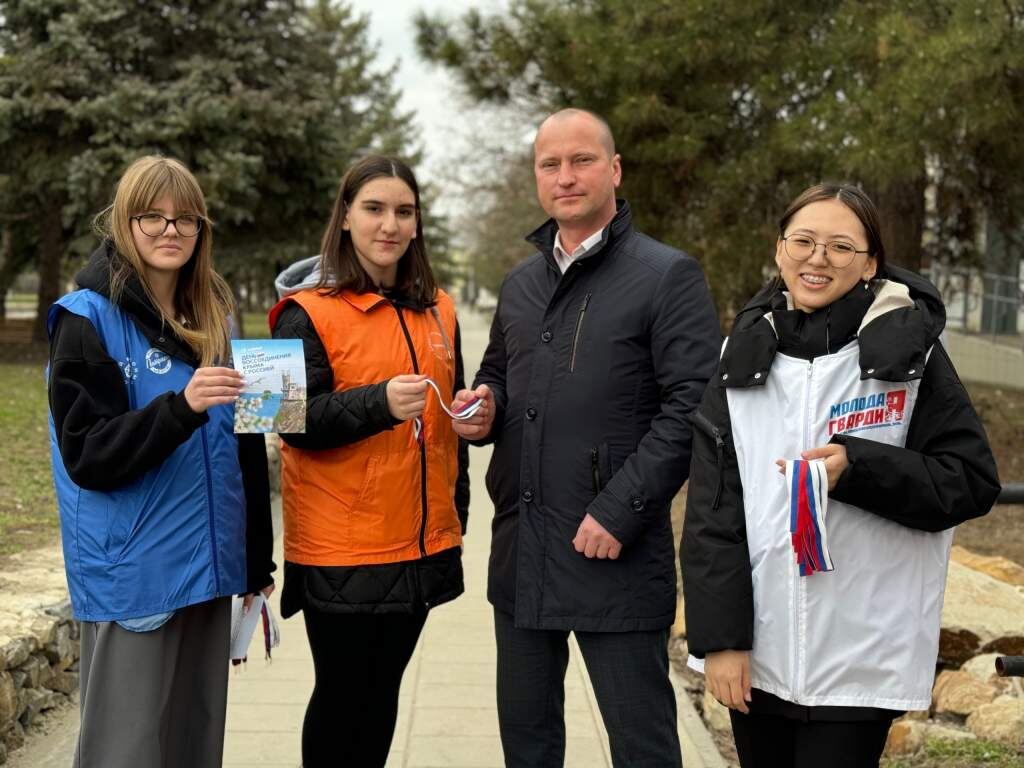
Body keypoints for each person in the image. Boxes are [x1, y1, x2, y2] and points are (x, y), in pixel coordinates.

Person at [681, 183, 1001, 767]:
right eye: (803, 241)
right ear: (780, 249)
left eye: (840, 246)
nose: (818, 258)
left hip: (862, 655)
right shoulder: (739, 358)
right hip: (760, 652)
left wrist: (860, 467)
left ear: (871, 263)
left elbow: (969, 481)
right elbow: (712, 511)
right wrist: (721, 640)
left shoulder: (913, 359)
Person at [451, 108, 721, 767]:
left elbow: (692, 407)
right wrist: (484, 408)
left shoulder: (666, 275)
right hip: (523, 551)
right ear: (537, 177)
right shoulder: (521, 282)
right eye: (551, 164)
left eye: (582, 161)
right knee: (529, 745)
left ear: (615, 169)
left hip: (613, 553)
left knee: (642, 748)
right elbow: (497, 374)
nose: (565, 177)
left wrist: (618, 511)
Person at [47, 156, 275, 768]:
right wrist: (181, 408)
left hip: (210, 573)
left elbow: (248, 443)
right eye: (152, 216)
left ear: (201, 229)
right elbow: (87, 454)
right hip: (136, 579)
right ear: (125, 222)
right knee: (125, 753)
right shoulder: (85, 318)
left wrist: (256, 561)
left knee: (193, 749)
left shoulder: (217, 318)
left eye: (185, 218)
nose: (170, 230)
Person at [269, 155, 469, 768]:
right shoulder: (295, 310)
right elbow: (276, 422)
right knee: (341, 700)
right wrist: (376, 403)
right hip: (339, 549)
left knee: (381, 699)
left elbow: (450, 424)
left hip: (423, 543)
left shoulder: (441, 307)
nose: (390, 225)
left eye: (404, 211)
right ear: (345, 217)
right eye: (374, 209)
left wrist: (473, 425)